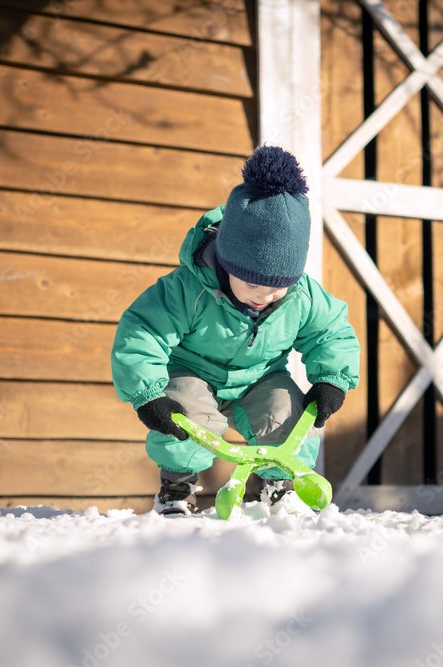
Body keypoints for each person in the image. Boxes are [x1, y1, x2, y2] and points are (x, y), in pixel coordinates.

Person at [110, 146, 360, 516]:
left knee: (287, 411)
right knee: (187, 414)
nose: (265, 297)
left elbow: (332, 332)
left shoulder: (302, 296)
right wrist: (147, 394)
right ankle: (177, 488)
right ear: (227, 264)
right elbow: (142, 332)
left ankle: (281, 487)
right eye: (253, 285)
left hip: (261, 377)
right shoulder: (187, 289)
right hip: (192, 371)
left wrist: (332, 380)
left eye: (277, 287)